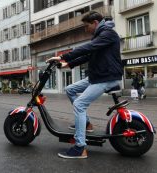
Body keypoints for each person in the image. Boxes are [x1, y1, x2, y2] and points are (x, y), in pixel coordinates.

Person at [46, 12, 123, 159]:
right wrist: (69, 63)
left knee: (80, 104)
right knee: (70, 89)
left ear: (95, 22)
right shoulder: (101, 35)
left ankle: (80, 147)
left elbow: (89, 47)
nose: (85, 29)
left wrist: (63, 56)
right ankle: (86, 123)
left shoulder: (108, 34)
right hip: (98, 75)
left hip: (106, 77)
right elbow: (89, 55)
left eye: (86, 26)